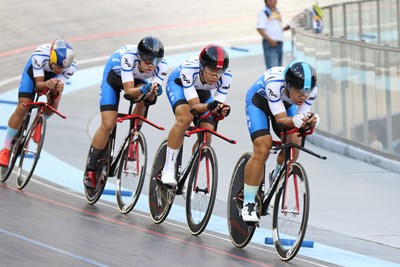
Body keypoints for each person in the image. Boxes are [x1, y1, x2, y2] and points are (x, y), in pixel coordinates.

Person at [83, 36, 167, 189]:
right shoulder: (129, 58)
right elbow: (128, 91)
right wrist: (143, 89)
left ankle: (133, 139)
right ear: (139, 56)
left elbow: (151, 93)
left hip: (136, 80)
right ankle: (90, 168)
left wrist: (154, 91)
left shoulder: (162, 67)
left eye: (155, 61)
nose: (151, 65)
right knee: (108, 123)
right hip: (114, 78)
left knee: (145, 99)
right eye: (147, 59)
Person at [241, 60, 320, 222]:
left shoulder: (311, 91)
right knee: (263, 147)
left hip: (284, 103)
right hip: (259, 103)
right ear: (287, 85)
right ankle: (248, 202)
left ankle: (277, 174)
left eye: (307, 91)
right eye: (297, 90)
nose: (303, 95)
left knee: (294, 142)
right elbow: (281, 119)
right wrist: (297, 120)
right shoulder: (274, 84)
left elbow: (301, 117)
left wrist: (309, 120)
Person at [160, 44, 232, 186]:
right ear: (202, 66)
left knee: (208, 133)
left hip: (202, 92)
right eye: (211, 70)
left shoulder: (226, 77)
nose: (215, 76)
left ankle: (189, 173)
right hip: (179, 85)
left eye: (220, 71)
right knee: (185, 117)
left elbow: (216, 106)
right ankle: (168, 168)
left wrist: (221, 110)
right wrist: (211, 107)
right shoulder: (189, 70)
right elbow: (194, 107)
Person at [0, 39, 77, 167]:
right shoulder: (40, 55)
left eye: (62, 68)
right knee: (22, 107)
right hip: (34, 76)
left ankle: (38, 124)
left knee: (54, 104)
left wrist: (56, 90)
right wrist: (46, 85)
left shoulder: (71, 67)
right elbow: (38, 85)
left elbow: (56, 87)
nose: (59, 70)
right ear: (51, 58)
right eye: (58, 66)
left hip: (50, 79)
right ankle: (5, 149)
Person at [256, 0, 290, 70]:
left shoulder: (277, 11)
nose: (275, 1)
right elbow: (259, 28)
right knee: (273, 68)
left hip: (279, 41)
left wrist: (284, 28)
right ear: (267, 1)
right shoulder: (264, 12)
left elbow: (276, 25)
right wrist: (270, 40)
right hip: (270, 43)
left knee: (278, 68)